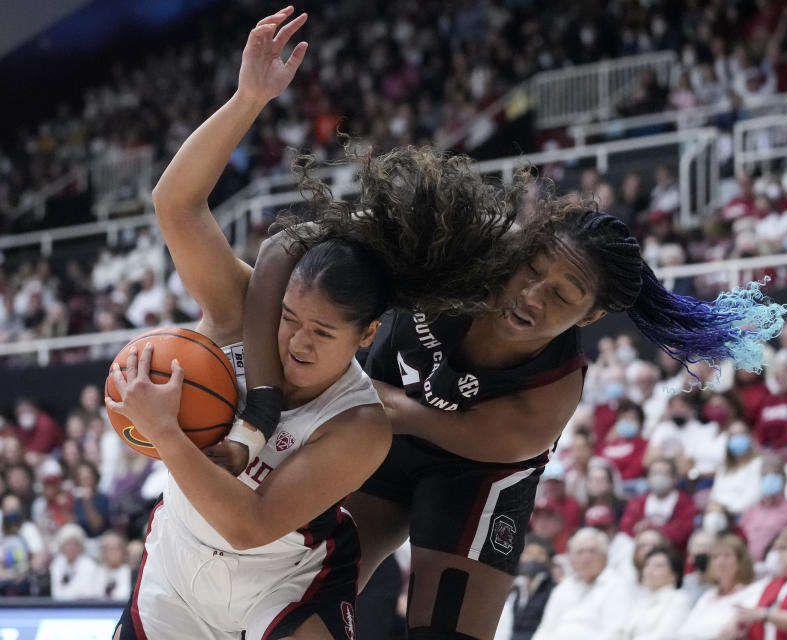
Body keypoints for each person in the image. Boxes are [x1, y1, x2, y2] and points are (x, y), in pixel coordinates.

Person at [240, 79, 787, 640]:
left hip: (474, 471)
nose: (532, 294)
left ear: (590, 317)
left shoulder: (551, 392)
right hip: (376, 421)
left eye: (562, 293)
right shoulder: (456, 243)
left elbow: (402, 414)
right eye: (532, 268)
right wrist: (262, 401)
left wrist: (343, 390)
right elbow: (280, 250)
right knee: (295, 598)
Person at [105, 9, 509, 639]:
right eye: (291, 316)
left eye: (322, 334)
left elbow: (251, 523)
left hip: (283, 584)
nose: (293, 339)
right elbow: (175, 205)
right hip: (176, 569)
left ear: (366, 335)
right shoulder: (245, 313)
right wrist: (249, 98)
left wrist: (166, 432)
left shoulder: (361, 424)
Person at [529, 528, 632, 640]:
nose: (586, 558)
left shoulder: (616, 585)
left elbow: (615, 633)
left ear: (605, 557)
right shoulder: (563, 587)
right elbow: (545, 629)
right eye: (580, 552)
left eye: (592, 551)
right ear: (571, 558)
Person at [676, 534, 765, 639]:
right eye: (715, 557)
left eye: (727, 556)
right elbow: (684, 631)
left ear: (741, 561)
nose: (720, 562)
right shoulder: (708, 595)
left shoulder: (754, 592)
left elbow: (726, 633)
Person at [739, 456, 787, 562]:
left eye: (775, 474)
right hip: (749, 566)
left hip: (779, 564)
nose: (769, 478)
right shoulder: (751, 510)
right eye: (765, 475)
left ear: (784, 479)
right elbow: (740, 538)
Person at [619, 457, 696, 550]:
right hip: (639, 547)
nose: (659, 477)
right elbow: (626, 528)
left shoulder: (686, 502)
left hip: (672, 551)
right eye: (655, 473)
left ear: (674, 478)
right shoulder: (637, 502)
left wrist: (651, 528)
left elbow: (682, 533)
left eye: (663, 474)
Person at [617, 545, 691, 639]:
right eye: (647, 564)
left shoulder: (679, 600)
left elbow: (665, 636)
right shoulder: (641, 601)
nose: (649, 570)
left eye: (658, 566)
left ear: (674, 575)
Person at [494, 535, 556, 640]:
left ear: (548, 560)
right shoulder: (513, 591)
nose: (533, 558)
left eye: (540, 554)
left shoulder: (554, 591)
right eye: (528, 553)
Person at [710, 422, 763, 516]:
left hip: (743, 515)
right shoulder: (723, 467)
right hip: (719, 513)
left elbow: (753, 498)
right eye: (733, 435)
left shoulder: (758, 464)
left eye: (741, 434)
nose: (737, 438)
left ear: (749, 437)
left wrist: (726, 510)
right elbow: (715, 495)